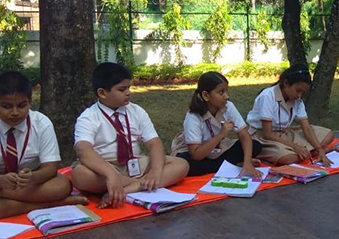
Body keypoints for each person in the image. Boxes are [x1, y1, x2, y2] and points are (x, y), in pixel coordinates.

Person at [72, 63, 189, 208]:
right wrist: (110, 174)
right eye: (122, 89)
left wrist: (155, 170)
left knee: (181, 164)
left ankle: (127, 189)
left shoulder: (136, 111)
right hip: (104, 166)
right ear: (102, 93)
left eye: (129, 88)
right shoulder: (88, 117)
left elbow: (154, 143)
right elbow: (84, 151)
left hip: (134, 163)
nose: (128, 92)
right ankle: (142, 184)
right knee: (79, 175)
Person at [0, 71, 87, 218]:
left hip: (30, 184)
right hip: (4, 182)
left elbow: (51, 168)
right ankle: (53, 204)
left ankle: (12, 204)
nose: (15, 112)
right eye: (6, 106)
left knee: (62, 185)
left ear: (30, 102)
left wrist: (33, 177)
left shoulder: (41, 123)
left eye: (21, 105)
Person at [171, 72, 262, 177]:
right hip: (196, 151)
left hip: (218, 149)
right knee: (188, 164)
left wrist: (247, 163)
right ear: (206, 95)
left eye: (226, 91)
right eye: (221, 92)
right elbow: (196, 155)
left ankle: (229, 165)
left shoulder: (228, 106)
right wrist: (221, 135)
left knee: (255, 145)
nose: (226, 96)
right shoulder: (193, 116)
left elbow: (244, 135)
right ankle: (232, 164)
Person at [247, 63, 334, 166]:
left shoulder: (298, 100)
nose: (299, 95)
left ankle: (309, 151)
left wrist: (320, 149)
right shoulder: (267, 96)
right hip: (264, 137)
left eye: (303, 93)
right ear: (286, 83)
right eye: (298, 91)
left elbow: (306, 127)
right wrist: (295, 146)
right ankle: (308, 151)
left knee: (329, 134)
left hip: (285, 133)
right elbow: (268, 134)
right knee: (288, 158)